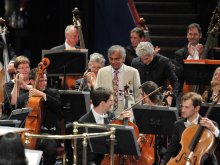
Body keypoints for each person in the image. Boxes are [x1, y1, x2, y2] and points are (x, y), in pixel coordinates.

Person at [66, 87, 131, 164]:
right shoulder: (82, 122)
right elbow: (81, 154)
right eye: (110, 101)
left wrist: (122, 121)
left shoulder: (111, 116)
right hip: (92, 161)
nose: (112, 103)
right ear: (102, 103)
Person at [16, 68, 63, 165]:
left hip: (48, 132)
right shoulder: (22, 98)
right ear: (32, 81)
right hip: (30, 133)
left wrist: (43, 95)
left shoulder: (53, 93)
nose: (44, 83)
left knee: (50, 146)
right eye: (41, 81)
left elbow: (58, 108)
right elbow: (19, 119)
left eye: (45, 80)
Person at [160, 92, 220, 165]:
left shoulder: (211, 125)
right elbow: (171, 150)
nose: (182, 110)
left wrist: (214, 130)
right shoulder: (178, 125)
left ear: (197, 108)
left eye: (187, 107)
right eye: (182, 106)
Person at [95, 45, 141, 119]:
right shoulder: (102, 72)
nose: (113, 62)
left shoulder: (133, 72)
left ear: (123, 59)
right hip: (106, 113)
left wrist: (136, 115)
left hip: (127, 114)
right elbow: (97, 95)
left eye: (116, 59)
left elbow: (138, 96)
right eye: (111, 59)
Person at [131, 41, 178, 106]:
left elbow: (174, 81)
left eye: (147, 58)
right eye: (142, 59)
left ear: (152, 53)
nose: (144, 61)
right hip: (143, 99)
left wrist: (171, 96)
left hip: (161, 98)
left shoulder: (164, 62)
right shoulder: (135, 62)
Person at [174, 23, 204, 95]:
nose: (192, 36)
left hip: (202, 89)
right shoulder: (179, 53)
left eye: (195, 34)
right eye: (190, 34)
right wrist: (192, 56)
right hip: (183, 90)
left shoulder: (206, 52)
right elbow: (180, 73)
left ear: (200, 35)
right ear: (187, 35)